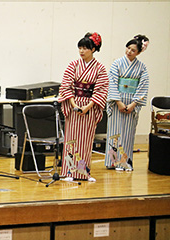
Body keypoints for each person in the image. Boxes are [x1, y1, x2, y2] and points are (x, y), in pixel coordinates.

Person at [59, 32, 109, 182]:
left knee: (86, 141)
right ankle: (68, 172)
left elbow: (101, 89)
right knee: (71, 139)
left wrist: (88, 106)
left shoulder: (100, 68)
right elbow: (66, 86)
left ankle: (83, 172)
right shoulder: (73, 65)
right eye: (80, 48)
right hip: (74, 104)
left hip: (90, 106)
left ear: (93, 49)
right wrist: (74, 105)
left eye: (85, 48)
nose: (81, 51)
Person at [104, 35, 150, 171]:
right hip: (117, 101)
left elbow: (143, 86)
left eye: (133, 50)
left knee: (128, 134)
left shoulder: (142, 67)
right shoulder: (117, 63)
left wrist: (134, 104)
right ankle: (112, 161)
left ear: (139, 53)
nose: (129, 52)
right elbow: (112, 83)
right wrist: (118, 102)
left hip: (132, 102)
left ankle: (124, 162)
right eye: (128, 48)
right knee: (115, 132)